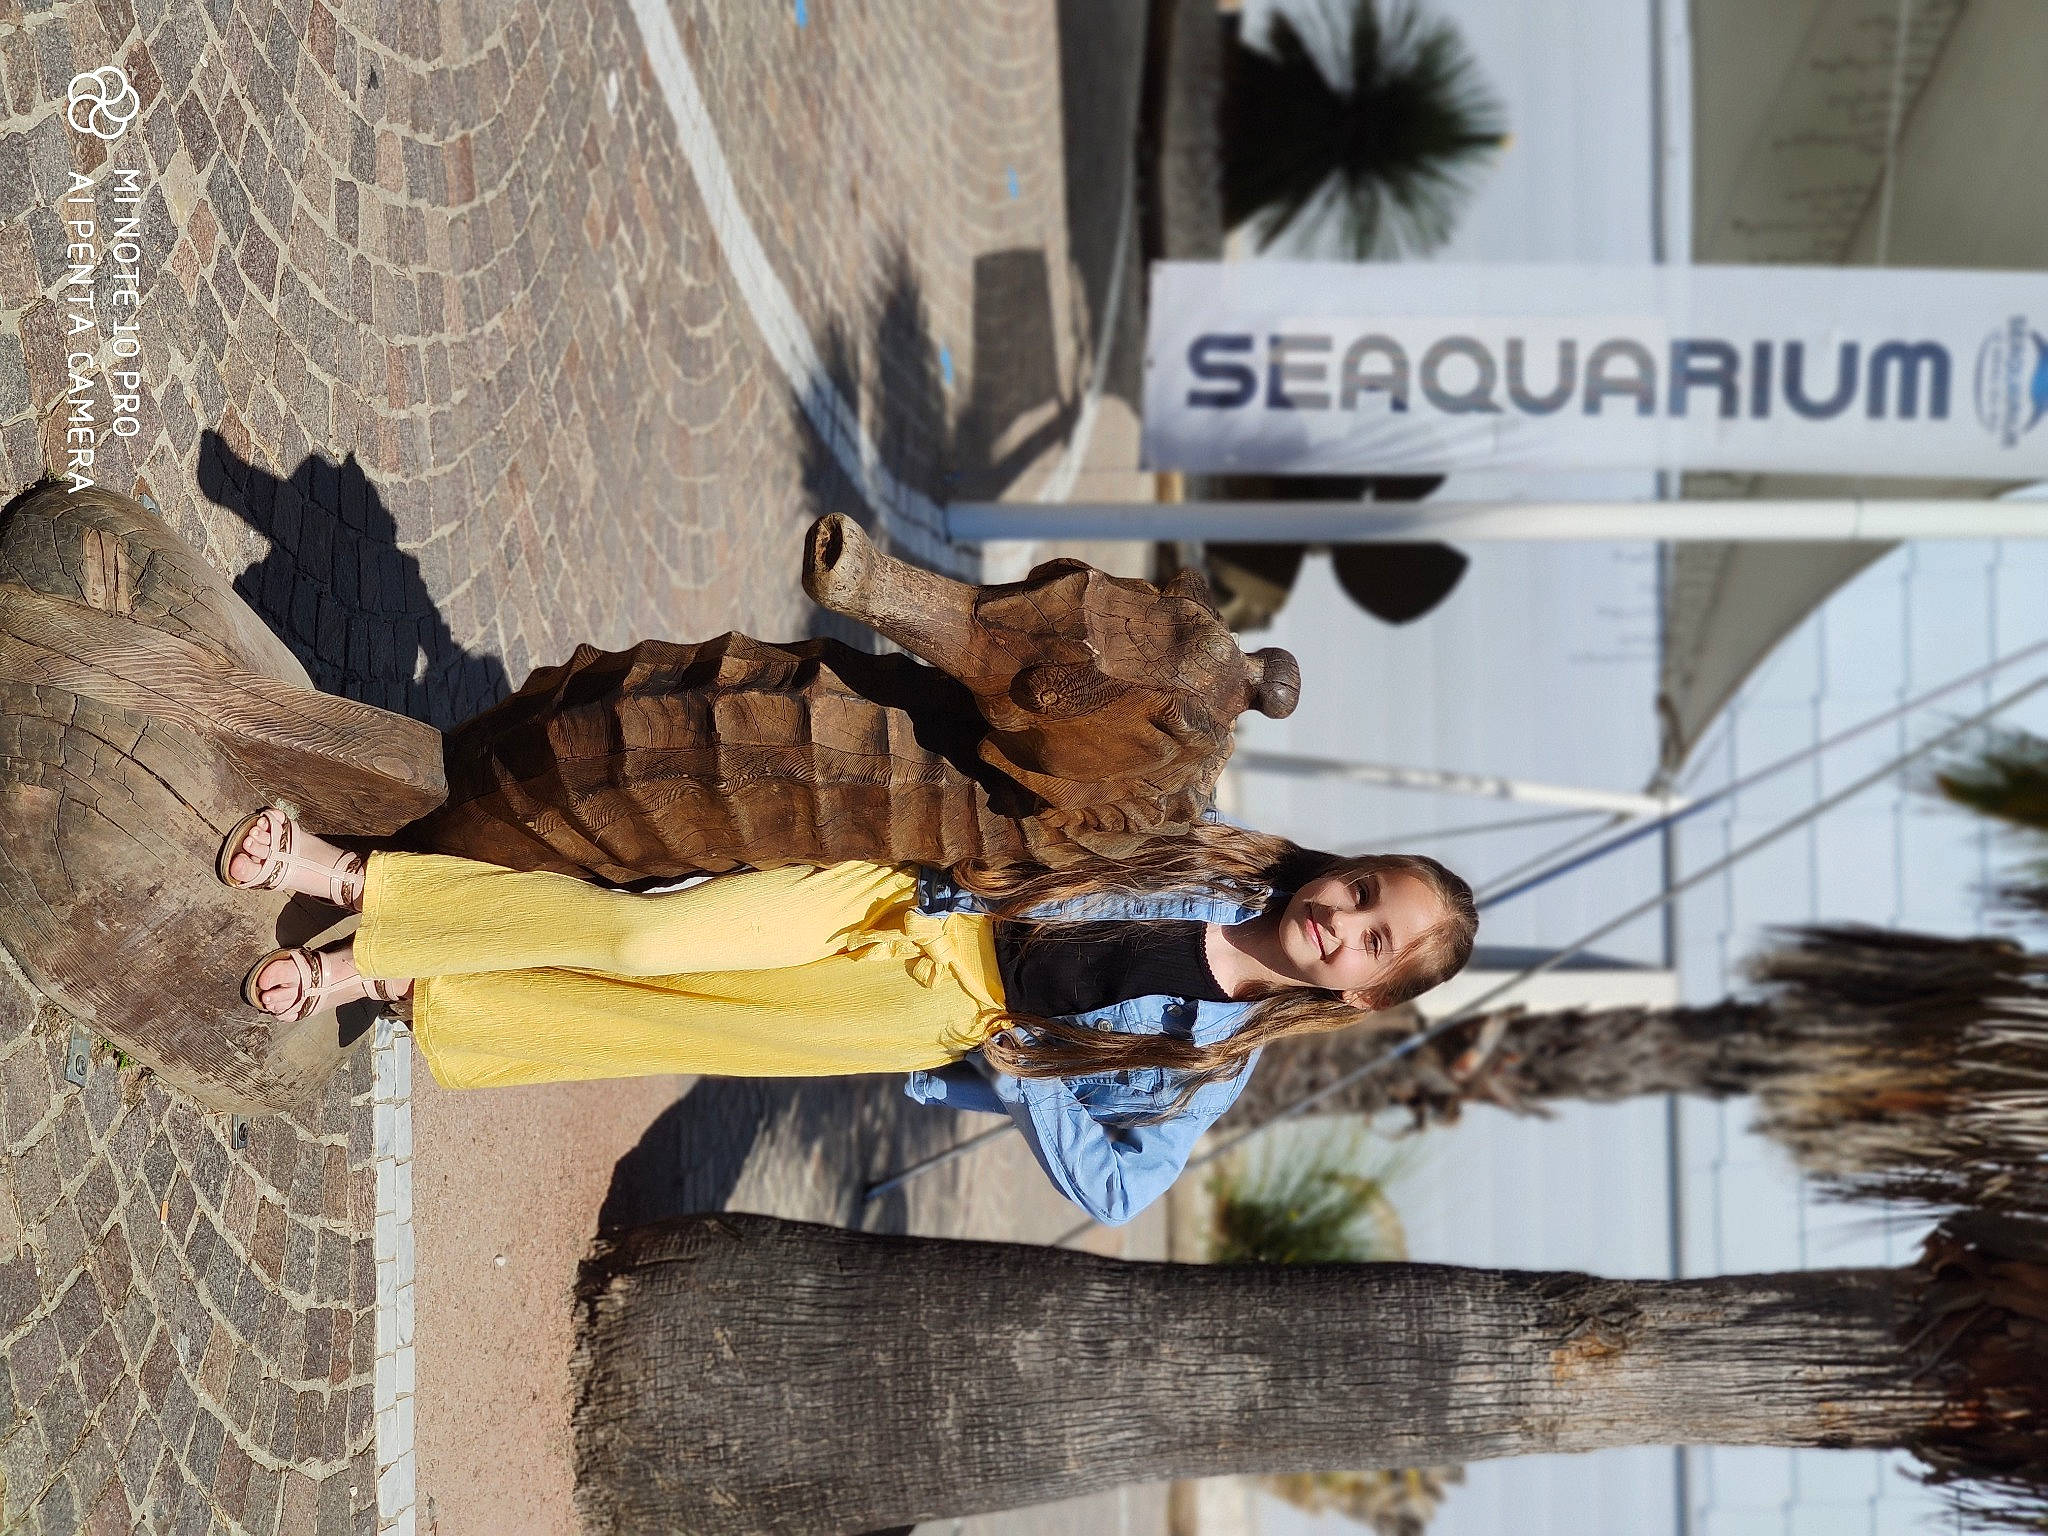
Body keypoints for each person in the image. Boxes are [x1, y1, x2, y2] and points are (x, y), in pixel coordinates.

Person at [218, 807, 1477, 1224]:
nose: (1342, 920)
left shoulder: (1209, 1070)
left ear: (1361, 992)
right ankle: (345, 876)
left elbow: (1120, 1193)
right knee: (643, 934)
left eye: (1371, 943)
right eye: (1362, 892)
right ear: (1343, 867)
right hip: (902, 906)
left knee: (658, 1023)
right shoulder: (1206, 845)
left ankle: (382, 978)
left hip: (921, 1016)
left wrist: (1027, 1069)